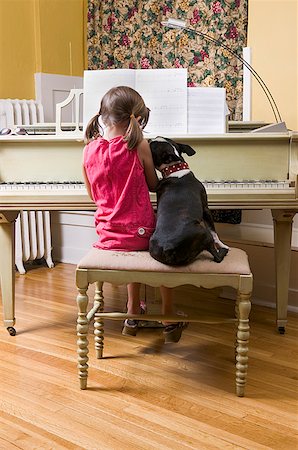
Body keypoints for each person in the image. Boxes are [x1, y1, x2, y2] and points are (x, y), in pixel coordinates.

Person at [83, 86, 187, 343]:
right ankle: (168, 314)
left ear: (102, 117)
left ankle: (131, 312)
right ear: (137, 119)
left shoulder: (88, 150)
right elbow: (153, 185)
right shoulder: (139, 145)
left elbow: (93, 196)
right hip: (140, 234)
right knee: (159, 245)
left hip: (107, 235)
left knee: (132, 242)